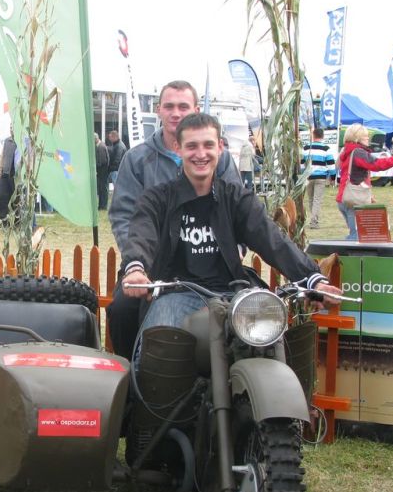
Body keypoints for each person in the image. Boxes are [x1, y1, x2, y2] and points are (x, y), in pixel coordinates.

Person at [120, 113, 342, 362]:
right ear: (178, 148)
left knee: (273, 343)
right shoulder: (158, 198)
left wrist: (312, 279)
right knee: (154, 353)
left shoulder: (236, 198)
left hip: (232, 292)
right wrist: (136, 267)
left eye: (208, 145)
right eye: (191, 146)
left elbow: (271, 238)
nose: (200, 154)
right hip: (176, 292)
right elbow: (142, 232)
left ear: (221, 147)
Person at [106, 80, 240, 360]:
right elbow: (124, 214)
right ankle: (133, 376)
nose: (175, 113)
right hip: (152, 263)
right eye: (169, 106)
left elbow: (239, 211)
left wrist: (233, 248)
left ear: (196, 109)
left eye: (183, 106)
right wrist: (138, 262)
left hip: (207, 263)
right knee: (122, 310)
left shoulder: (221, 160)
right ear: (158, 110)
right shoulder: (137, 159)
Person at [336, 124, 393, 241]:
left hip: (345, 197)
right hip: (354, 200)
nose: (368, 138)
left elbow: (352, 174)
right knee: (356, 238)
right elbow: (376, 164)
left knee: (356, 234)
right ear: (357, 138)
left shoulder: (346, 150)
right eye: (365, 136)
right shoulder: (358, 152)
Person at [302, 127, 336, 229]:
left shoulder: (306, 148)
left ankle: (313, 220)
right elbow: (331, 165)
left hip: (309, 177)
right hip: (321, 177)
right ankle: (314, 222)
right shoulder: (326, 149)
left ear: (313, 135)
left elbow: (302, 165)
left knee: (311, 199)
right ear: (323, 136)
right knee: (317, 199)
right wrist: (333, 178)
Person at [0, 136, 17, 225]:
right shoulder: (7, 140)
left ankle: (17, 221)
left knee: (16, 200)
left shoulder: (23, 139)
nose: (11, 128)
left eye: (13, 126)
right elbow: (2, 156)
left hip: (17, 175)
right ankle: (4, 219)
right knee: (0, 196)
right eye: (10, 126)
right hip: (5, 173)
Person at [95, 132, 110, 210]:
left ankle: (103, 206)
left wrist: (95, 167)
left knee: (103, 189)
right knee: (102, 189)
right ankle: (101, 205)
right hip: (102, 172)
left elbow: (102, 161)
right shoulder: (101, 145)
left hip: (102, 172)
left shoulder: (100, 147)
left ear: (96, 139)